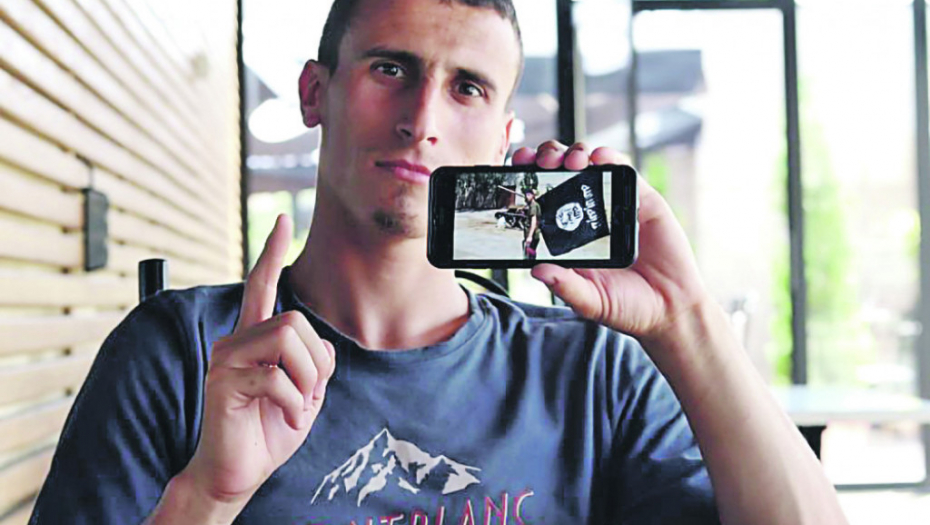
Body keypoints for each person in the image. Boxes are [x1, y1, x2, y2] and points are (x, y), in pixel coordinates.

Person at [29, 0, 850, 524]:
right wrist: (207, 496)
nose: (422, 118)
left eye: (467, 88)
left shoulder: (591, 373)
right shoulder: (184, 354)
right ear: (315, 92)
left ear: (502, 136)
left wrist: (688, 321)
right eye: (391, 69)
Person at [521, 188, 541, 260]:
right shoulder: (531, 205)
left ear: (533, 195)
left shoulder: (533, 205)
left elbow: (533, 222)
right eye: (526, 195)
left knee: (529, 256)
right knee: (529, 255)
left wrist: (530, 236)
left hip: (533, 235)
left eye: (529, 195)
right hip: (532, 235)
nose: (527, 196)